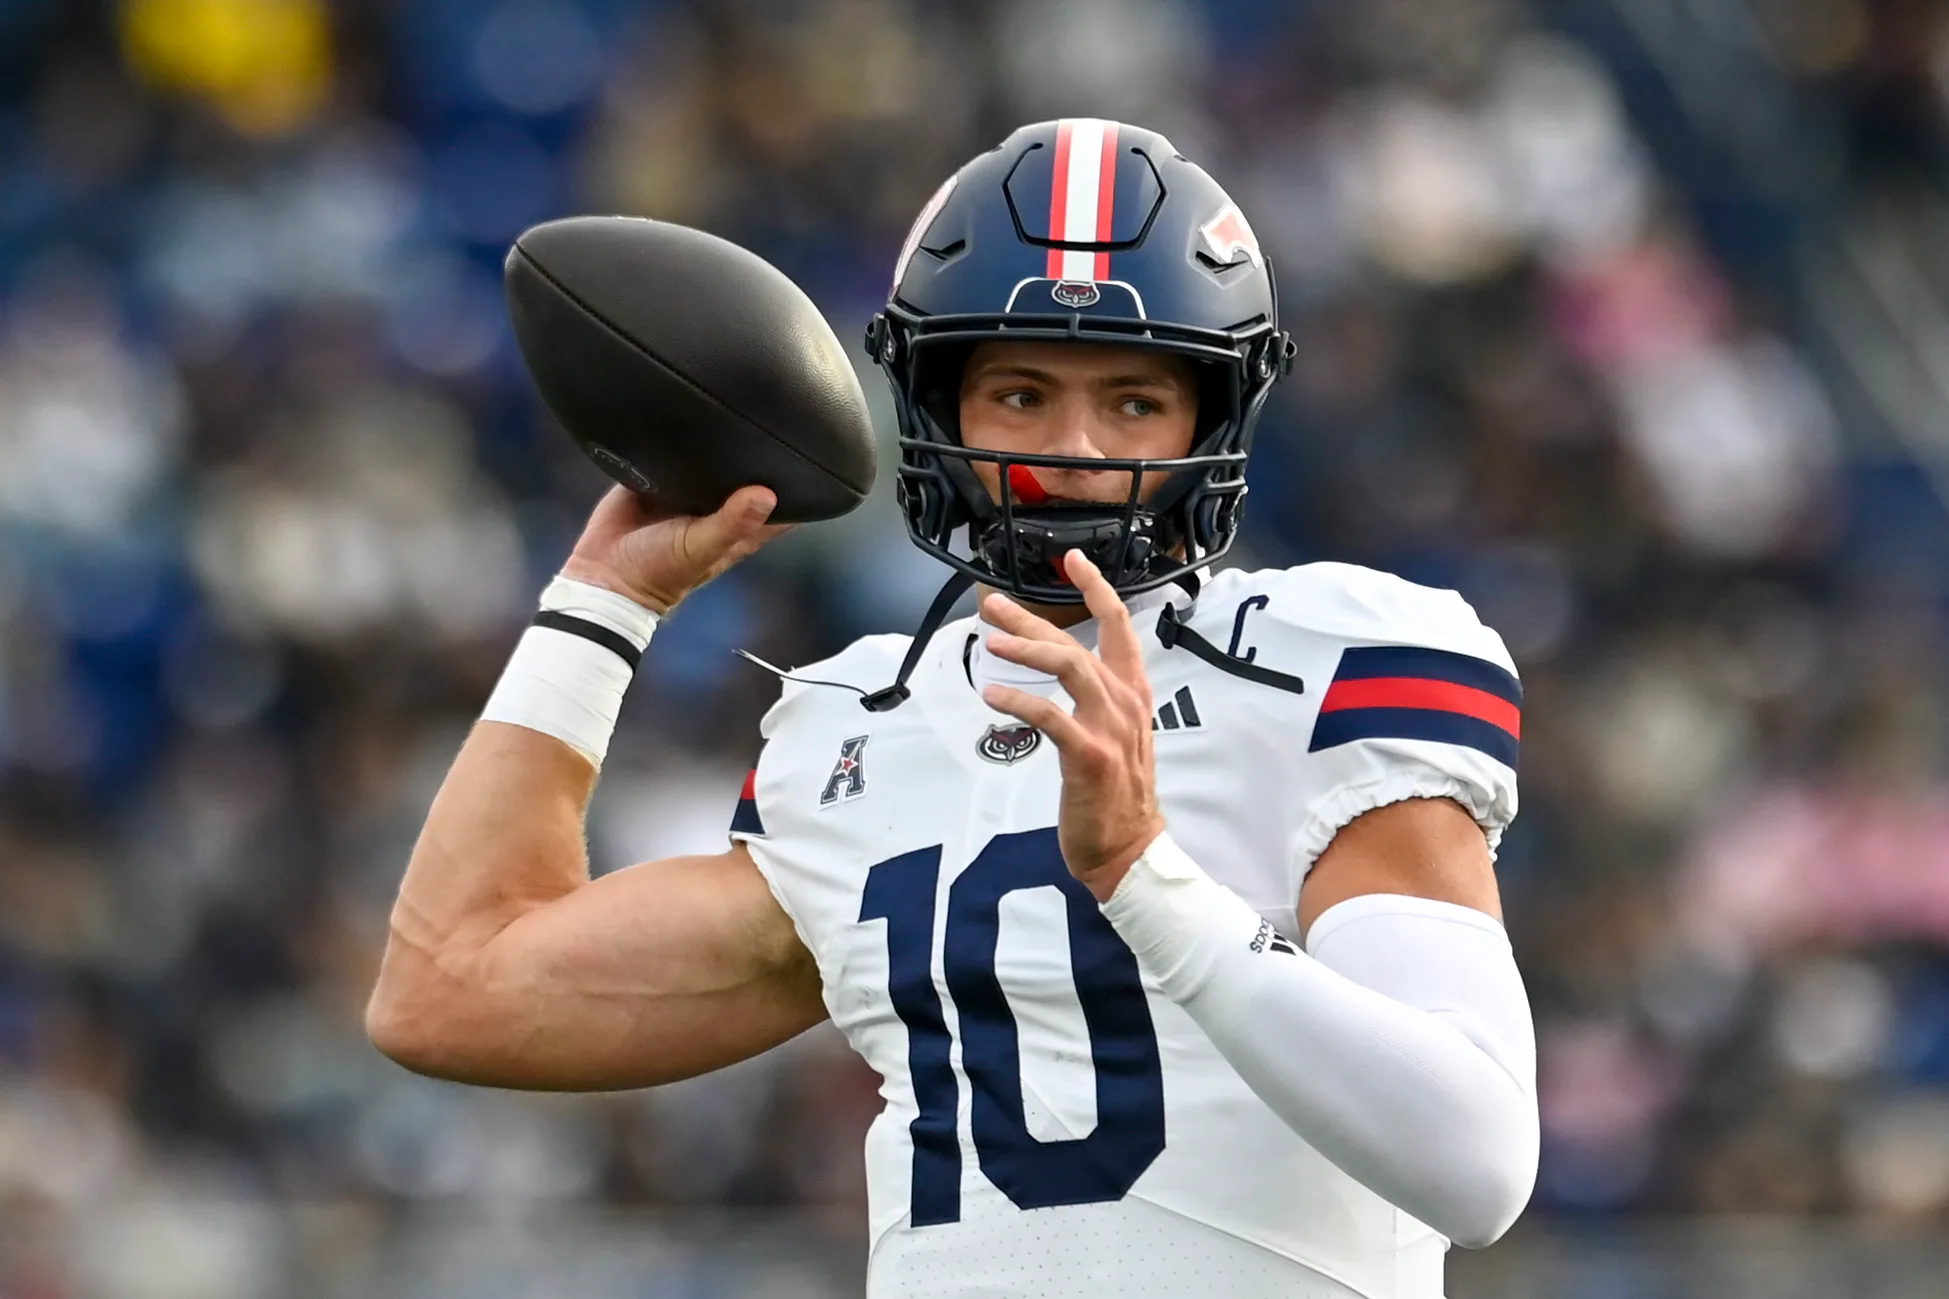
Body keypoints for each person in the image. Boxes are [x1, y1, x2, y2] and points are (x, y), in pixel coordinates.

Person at [367, 119, 1539, 1298]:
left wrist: (1143, 878)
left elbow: (1475, 1162)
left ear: (1213, 416)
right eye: (1020, 394)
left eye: (1134, 402)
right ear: (937, 407)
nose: (1072, 448)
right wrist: (601, 603)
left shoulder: (1327, 660)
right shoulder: (860, 722)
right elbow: (449, 989)